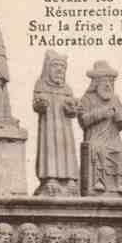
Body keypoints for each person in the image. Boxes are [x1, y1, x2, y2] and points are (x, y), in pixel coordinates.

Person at [78, 61, 122, 196]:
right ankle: (98, 181)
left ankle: (120, 183)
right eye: (104, 81)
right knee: (98, 148)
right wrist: (102, 113)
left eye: (111, 81)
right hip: (95, 137)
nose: (108, 85)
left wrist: (120, 118)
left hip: (113, 138)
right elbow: (83, 120)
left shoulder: (115, 99)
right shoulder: (87, 99)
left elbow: (120, 125)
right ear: (96, 83)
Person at [33, 50, 79, 196]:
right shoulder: (41, 85)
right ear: (47, 68)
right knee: (49, 149)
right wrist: (41, 104)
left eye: (63, 66)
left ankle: (70, 179)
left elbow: (73, 112)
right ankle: (50, 178)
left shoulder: (67, 88)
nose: (60, 69)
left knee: (67, 151)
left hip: (65, 130)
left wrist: (72, 107)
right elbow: (36, 105)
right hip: (49, 127)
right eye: (55, 65)